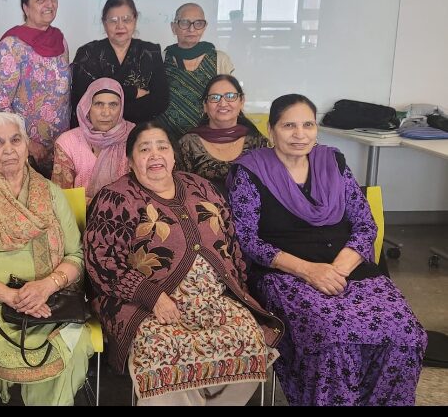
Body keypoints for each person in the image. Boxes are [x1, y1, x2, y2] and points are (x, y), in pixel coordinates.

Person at [228, 94, 427, 406]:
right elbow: (247, 239)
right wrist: (309, 271)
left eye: (308, 125)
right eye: (289, 126)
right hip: (286, 274)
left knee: (407, 333)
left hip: (348, 268)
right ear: (271, 130)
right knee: (333, 337)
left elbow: (365, 224)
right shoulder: (251, 172)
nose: (300, 134)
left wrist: (338, 270)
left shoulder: (333, 163)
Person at [85, 121, 281, 405]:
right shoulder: (117, 196)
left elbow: (232, 243)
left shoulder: (201, 187)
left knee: (251, 338)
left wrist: (238, 289)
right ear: (130, 160)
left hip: (214, 299)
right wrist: (152, 296)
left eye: (162, 147)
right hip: (146, 304)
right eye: (144, 149)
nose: (155, 155)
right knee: (162, 349)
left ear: (174, 155)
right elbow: (101, 260)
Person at [0, 112, 93, 405]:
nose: (8, 150)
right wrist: (9, 296)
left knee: (74, 343)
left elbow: (76, 256)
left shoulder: (52, 194)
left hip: (51, 297)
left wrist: (46, 286)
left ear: (26, 145)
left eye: (15, 140)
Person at [0, 0, 71, 176]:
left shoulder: (60, 41)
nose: (49, 4)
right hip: (25, 152)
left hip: (60, 151)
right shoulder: (11, 46)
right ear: (26, 8)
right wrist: (27, 142)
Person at [71, 0, 166, 126]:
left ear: (135, 20)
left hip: (139, 130)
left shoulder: (151, 52)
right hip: (96, 131)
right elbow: (84, 100)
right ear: (104, 23)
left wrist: (108, 107)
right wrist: (133, 92)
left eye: (126, 19)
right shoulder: (87, 53)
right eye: (113, 20)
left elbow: (160, 101)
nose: (120, 26)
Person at [156, 3, 236, 140]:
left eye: (198, 23)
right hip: (167, 139)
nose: (191, 29)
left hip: (209, 139)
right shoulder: (160, 59)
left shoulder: (220, 59)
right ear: (173, 27)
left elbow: (229, 100)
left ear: (204, 27)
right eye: (184, 23)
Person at [177, 75, 266, 194]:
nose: (223, 103)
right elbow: (179, 188)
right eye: (214, 97)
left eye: (230, 96)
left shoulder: (257, 141)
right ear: (205, 105)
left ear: (241, 101)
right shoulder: (188, 144)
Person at [51, 78, 135, 204]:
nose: (106, 113)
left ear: (121, 107)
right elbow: (60, 196)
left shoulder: (134, 137)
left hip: (126, 212)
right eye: (99, 104)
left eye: (113, 105)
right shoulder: (68, 142)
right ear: (87, 107)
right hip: (79, 213)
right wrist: (101, 207)